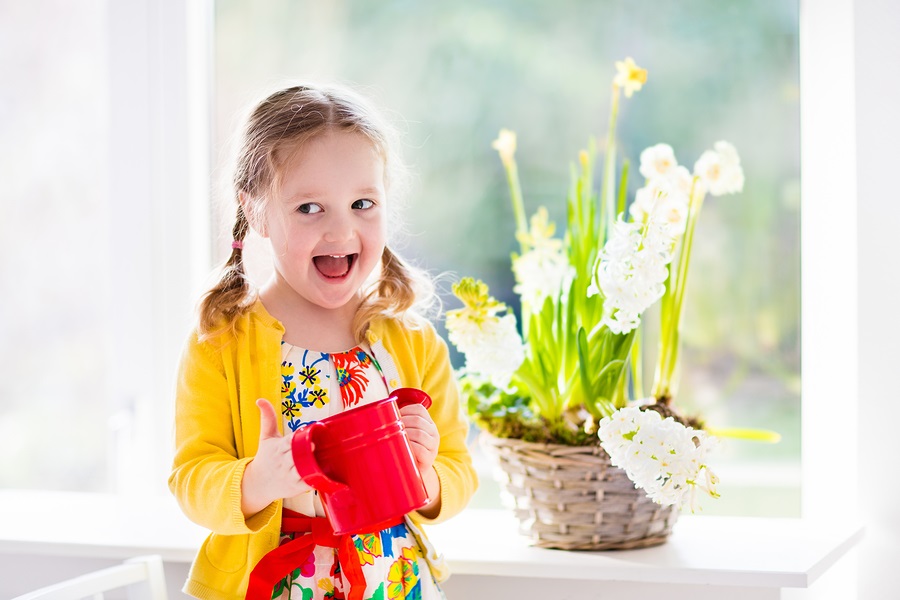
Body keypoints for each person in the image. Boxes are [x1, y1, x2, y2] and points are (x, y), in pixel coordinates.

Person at [168, 83, 478, 600]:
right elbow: (190, 478)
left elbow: (459, 469)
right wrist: (257, 480)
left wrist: (427, 477)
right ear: (257, 211)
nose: (340, 231)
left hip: (393, 581)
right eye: (309, 207)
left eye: (362, 203)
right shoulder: (220, 341)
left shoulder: (413, 340)